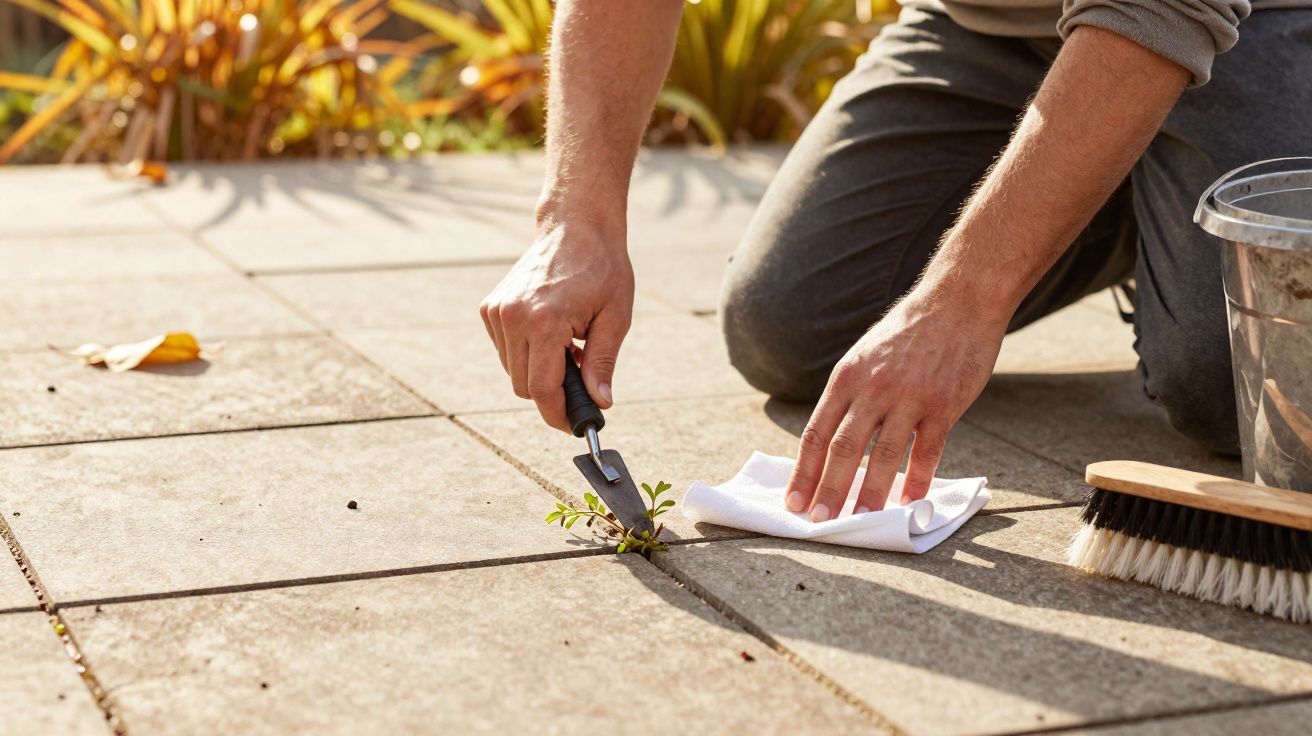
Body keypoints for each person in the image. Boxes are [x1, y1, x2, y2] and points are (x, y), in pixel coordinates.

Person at [480, 0, 1311, 523]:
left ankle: (1133, 191)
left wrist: (961, 301)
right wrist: (574, 220)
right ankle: (1120, 200)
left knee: (1237, 392)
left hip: (1235, 18)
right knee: (790, 327)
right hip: (979, 26)